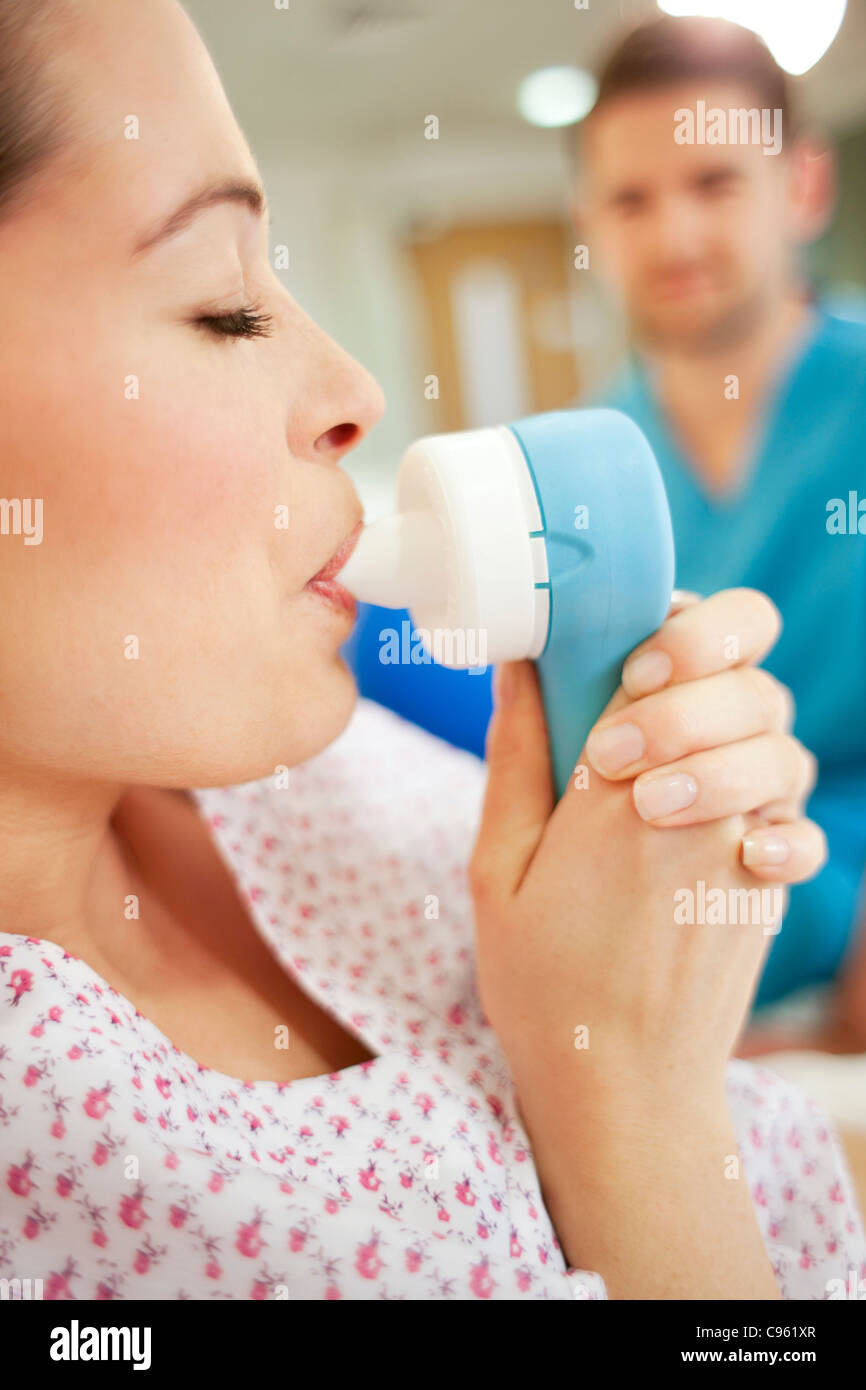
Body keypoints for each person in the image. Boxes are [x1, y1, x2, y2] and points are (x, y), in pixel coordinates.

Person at [0, 0, 861, 1301]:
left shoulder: (296, 762)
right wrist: (628, 1087)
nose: (360, 389)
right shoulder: (69, 1160)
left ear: (802, 187)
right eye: (227, 305)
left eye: (709, 182)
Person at [571, 15, 866, 1048]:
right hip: (667, 1005)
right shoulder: (576, 473)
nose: (673, 238)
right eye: (629, 199)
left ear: (802, 187)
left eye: (713, 184)